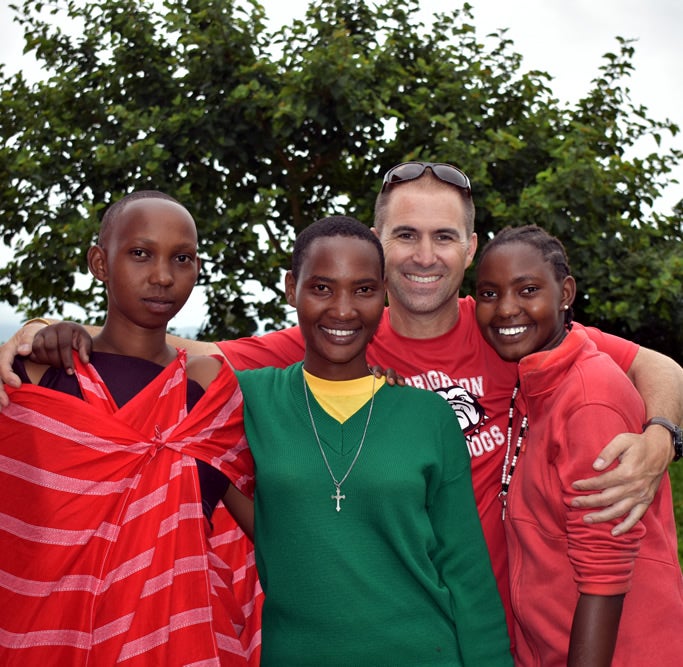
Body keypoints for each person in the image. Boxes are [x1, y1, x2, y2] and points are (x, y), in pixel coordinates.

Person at [1, 162, 682, 646]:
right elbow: (176, 348)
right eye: (404, 236)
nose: (424, 254)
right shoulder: (325, 342)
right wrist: (45, 333)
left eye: (443, 237)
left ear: (469, 248)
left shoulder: (504, 325)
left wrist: (659, 438)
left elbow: (656, 365)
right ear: (380, 254)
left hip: (508, 626)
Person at [0, 191, 260, 666]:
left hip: (187, 639)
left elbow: (273, 530)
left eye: (181, 259)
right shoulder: (39, 378)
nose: (162, 276)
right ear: (99, 262)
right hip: (50, 636)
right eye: (140, 253)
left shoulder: (211, 390)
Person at [239, 215, 512, 665]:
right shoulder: (250, 399)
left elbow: (466, 572)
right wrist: (79, 335)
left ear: (384, 292)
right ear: (292, 288)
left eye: (363, 289)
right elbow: (155, 367)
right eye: (322, 288)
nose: (343, 310)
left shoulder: (429, 416)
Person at [474, 224, 683, 666]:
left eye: (527, 289)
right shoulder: (535, 379)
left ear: (565, 292)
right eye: (489, 294)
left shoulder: (590, 399)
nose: (507, 308)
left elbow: (604, 573)